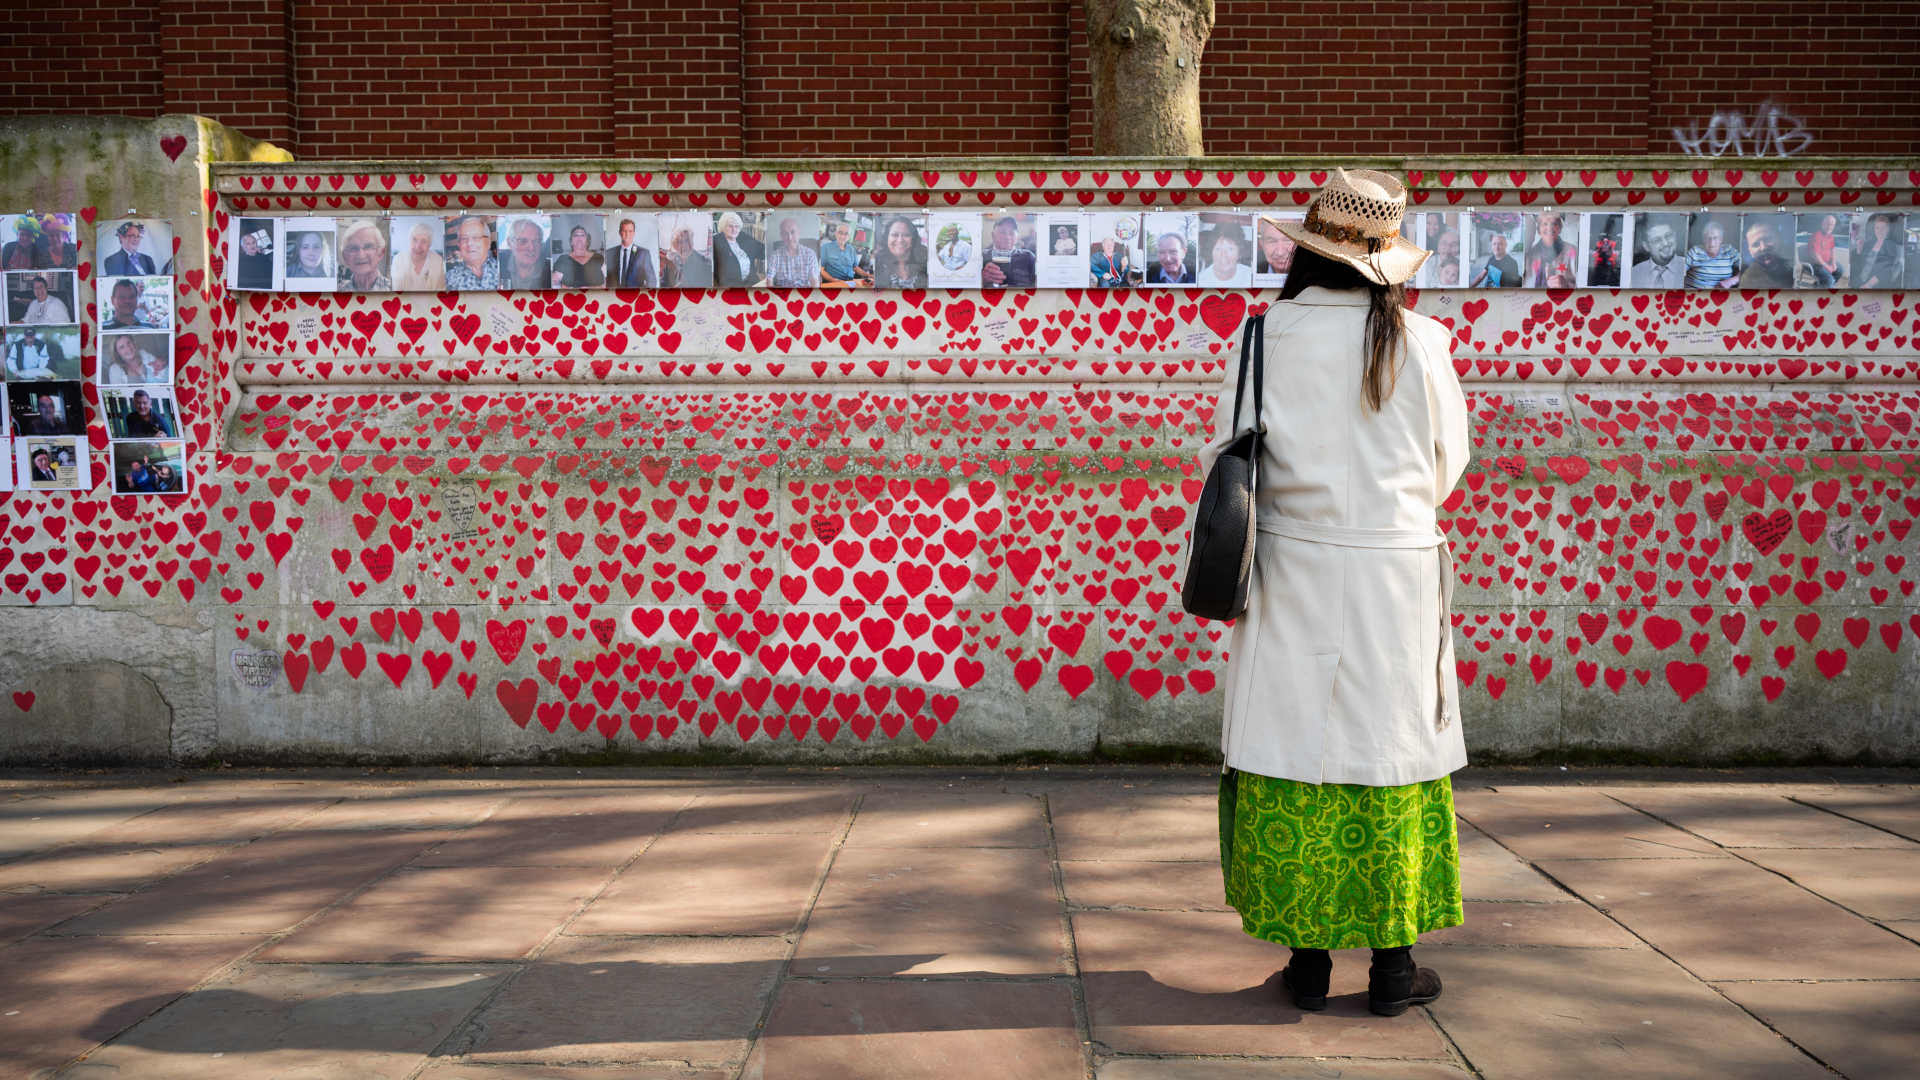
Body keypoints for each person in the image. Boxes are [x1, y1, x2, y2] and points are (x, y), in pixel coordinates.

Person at [1196, 169, 1465, 1021]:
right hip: (1397, 573)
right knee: (1390, 759)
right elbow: (1446, 465)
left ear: (1309, 250)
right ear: (1385, 260)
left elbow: (1230, 456)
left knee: (1297, 752)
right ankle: (1394, 966)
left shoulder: (1265, 336)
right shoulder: (1422, 341)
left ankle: (1306, 965)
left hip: (1294, 573)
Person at [870, 216, 926, 289]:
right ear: (887, 238)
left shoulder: (925, 265)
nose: (900, 240)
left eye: (906, 235)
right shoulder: (877, 266)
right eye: (895, 235)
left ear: (913, 239)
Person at [444, 216, 500, 290]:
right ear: (459, 244)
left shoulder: (504, 270)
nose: (469, 243)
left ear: (488, 242)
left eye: (476, 237)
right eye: (464, 238)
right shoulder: (449, 279)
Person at [765, 216, 821, 289]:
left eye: (793, 232)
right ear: (781, 236)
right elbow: (769, 279)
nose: (789, 237)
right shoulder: (775, 256)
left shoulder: (810, 254)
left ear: (798, 233)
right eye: (785, 233)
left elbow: (814, 281)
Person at [980, 216, 1036, 287]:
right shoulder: (981, 256)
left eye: (1011, 233)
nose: (1007, 237)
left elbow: (1039, 284)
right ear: (993, 235)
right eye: (1002, 232)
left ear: (1017, 237)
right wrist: (981, 280)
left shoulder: (1028, 257)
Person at [1522, 213, 1576, 287]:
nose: (1550, 227)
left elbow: (1582, 285)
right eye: (1545, 224)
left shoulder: (1573, 251)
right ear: (1538, 231)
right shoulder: (1529, 255)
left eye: (1554, 224)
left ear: (1560, 229)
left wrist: (1566, 285)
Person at [336, 220, 391, 291]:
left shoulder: (394, 288)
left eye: (368, 247)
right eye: (353, 248)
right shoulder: (338, 290)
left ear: (381, 253)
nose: (361, 255)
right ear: (345, 257)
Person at [1630, 220, 1687, 288]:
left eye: (1668, 236)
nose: (1665, 243)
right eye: (1657, 240)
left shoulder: (1690, 268)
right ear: (1646, 246)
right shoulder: (1635, 273)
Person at [1685, 218, 1741, 288]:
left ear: (1721, 239)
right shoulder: (1695, 252)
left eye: (1715, 238)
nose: (1711, 242)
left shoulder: (1729, 251)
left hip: (1721, 296)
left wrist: (1733, 280)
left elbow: (1746, 270)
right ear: (1703, 239)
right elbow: (1679, 271)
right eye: (1708, 238)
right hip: (1696, 295)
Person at [391, 221, 446, 292]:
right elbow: (396, 291)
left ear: (429, 245)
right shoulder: (398, 259)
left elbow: (441, 290)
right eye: (414, 239)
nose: (418, 246)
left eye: (424, 241)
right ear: (409, 240)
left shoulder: (438, 261)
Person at [497, 219, 551, 290]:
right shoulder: (497, 264)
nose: (531, 248)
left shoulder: (550, 270)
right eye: (523, 241)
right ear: (510, 243)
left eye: (536, 241)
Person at [713, 212, 764, 287]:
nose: (734, 229)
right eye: (730, 226)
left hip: (751, 282)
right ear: (723, 227)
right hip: (731, 286)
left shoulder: (743, 237)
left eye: (737, 226)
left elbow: (762, 251)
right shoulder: (717, 241)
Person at [1741, 218, 1793, 289]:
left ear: (1779, 238)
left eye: (1767, 239)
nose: (1763, 248)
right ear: (1750, 251)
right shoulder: (1748, 281)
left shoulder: (1795, 264)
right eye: (1756, 244)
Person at [1854, 213, 1902, 289]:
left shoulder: (1890, 245)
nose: (1880, 231)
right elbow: (1860, 263)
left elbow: (1887, 269)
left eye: (1883, 228)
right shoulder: (1869, 243)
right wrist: (1859, 250)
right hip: (1860, 279)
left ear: (1888, 229)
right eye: (1877, 228)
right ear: (1874, 229)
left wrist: (1868, 284)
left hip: (1875, 283)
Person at [606, 217, 656, 288]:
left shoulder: (643, 253)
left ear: (634, 233)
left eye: (630, 231)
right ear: (620, 233)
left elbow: (652, 280)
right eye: (624, 231)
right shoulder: (609, 253)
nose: (627, 234)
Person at [820, 220, 869, 286]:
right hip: (833, 283)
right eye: (840, 233)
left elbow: (855, 268)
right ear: (836, 233)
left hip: (850, 282)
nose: (843, 236)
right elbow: (821, 270)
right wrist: (834, 280)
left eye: (846, 234)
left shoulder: (851, 249)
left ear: (849, 236)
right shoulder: (825, 247)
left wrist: (869, 275)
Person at [1804, 213, 1841, 288]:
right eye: (1828, 224)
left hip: (1826, 263)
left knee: (1840, 270)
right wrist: (1828, 267)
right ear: (1822, 224)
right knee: (1829, 279)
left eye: (1832, 225)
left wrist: (1833, 263)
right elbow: (1815, 255)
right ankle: (1827, 285)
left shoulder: (1831, 236)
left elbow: (1832, 250)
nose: (1830, 227)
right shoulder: (1817, 236)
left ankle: (1823, 284)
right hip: (1815, 265)